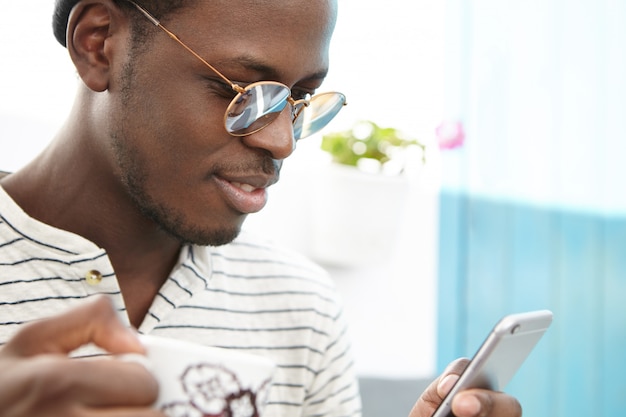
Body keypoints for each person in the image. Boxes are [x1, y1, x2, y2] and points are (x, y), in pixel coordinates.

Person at [0, 1, 523, 416]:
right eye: (245, 91)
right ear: (98, 44)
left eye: (298, 101)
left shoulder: (301, 310)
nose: (281, 142)